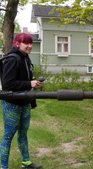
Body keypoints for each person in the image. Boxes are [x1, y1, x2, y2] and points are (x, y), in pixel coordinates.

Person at [0, 33, 43, 169]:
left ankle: (26, 162)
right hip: (11, 103)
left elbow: (25, 80)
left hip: (24, 102)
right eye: (26, 43)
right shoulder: (12, 59)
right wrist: (29, 84)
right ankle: (3, 166)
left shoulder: (25, 57)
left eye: (31, 43)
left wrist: (33, 83)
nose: (30, 46)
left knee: (23, 133)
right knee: (8, 135)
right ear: (17, 43)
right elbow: (8, 84)